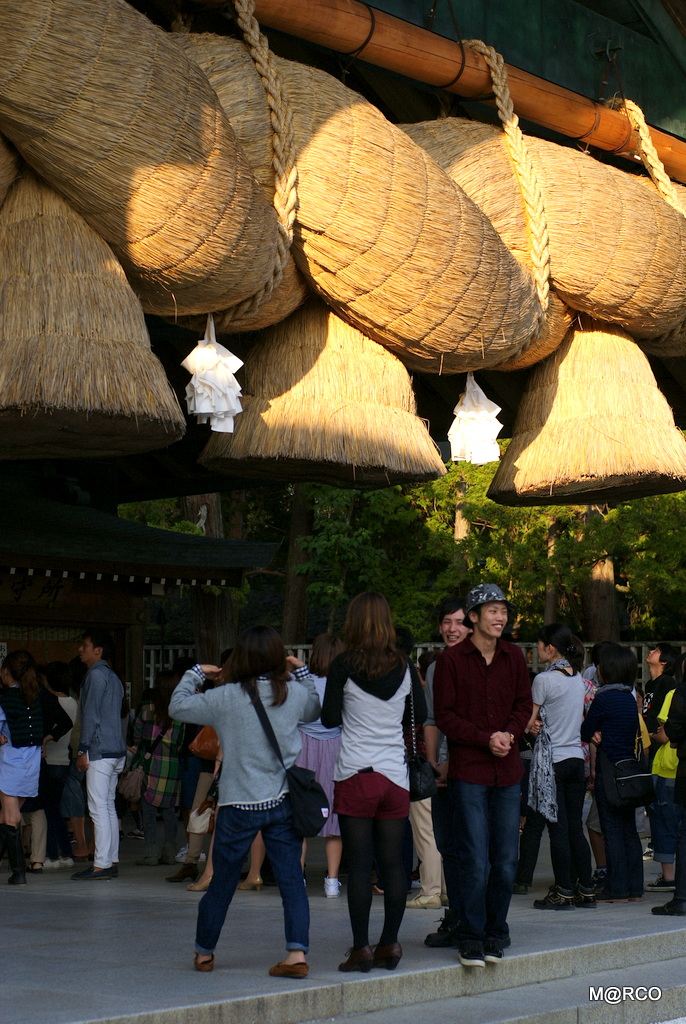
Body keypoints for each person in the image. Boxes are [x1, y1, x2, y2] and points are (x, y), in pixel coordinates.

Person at [169, 625, 320, 977]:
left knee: (221, 881)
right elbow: (315, 710)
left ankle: (204, 953)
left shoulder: (225, 698)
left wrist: (195, 673)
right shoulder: (293, 693)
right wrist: (301, 671)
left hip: (237, 805)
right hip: (282, 801)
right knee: (291, 881)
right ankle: (297, 954)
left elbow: (178, 707)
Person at [321, 592, 427, 974]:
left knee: (361, 867)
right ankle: (391, 944)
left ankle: (361, 948)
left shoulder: (343, 665)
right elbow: (420, 716)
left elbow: (330, 718)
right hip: (395, 778)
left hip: (355, 774)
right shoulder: (404, 665)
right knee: (394, 866)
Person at [434, 583, 532, 968]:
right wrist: (484, 738)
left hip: (508, 770)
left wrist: (509, 733)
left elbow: (524, 703)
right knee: (474, 857)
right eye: (491, 610)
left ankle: (496, 930)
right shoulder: (451, 661)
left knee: (506, 858)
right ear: (473, 617)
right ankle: (471, 935)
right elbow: (445, 716)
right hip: (470, 771)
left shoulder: (514, 656)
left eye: (503, 611)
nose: (500, 617)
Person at [526, 624, 595, 910]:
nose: (536, 649)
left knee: (556, 828)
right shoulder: (578, 679)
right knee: (574, 828)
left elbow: (530, 723)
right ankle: (586, 888)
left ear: (550, 648)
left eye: (539, 644)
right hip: (575, 759)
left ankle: (564, 889)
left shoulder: (544, 680)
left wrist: (532, 725)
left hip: (551, 761)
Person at [423, 596, 470, 946]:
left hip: (475, 770)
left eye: (459, 622)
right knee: (447, 845)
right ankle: (455, 917)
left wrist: (454, 762)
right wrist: (432, 763)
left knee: (476, 849)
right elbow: (431, 719)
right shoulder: (436, 666)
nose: (452, 629)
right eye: (446, 622)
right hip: (440, 770)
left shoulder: (485, 663)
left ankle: (478, 921)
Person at [580, 643, 644, 903]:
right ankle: (635, 889)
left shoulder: (604, 697)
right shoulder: (630, 698)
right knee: (628, 829)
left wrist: (595, 734)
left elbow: (586, 731)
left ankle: (616, 888)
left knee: (611, 829)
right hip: (628, 769)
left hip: (608, 768)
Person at [72, 630, 126, 880]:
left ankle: (102, 863)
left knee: (97, 807)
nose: (80, 649)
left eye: (85, 645)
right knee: (108, 806)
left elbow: (91, 716)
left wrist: (83, 749)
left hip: (99, 750)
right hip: (116, 749)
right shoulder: (113, 677)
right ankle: (110, 860)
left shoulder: (94, 676)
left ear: (98, 650)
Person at [295, 632, 345, 898]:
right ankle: (332, 881)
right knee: (334, 815)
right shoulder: (345, 684)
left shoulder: (300, 682)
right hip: (336, 746)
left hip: (302, 746)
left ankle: (298, 877)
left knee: (301, 814)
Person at [132, 669, 184, 866]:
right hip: (171, 766)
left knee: (149, 809)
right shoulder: (180, 712)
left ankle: (151, 852)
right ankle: (170, 852)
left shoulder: (146, 708)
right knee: (169, 811)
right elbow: (180, 743)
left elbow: (137, 737)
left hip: (150, 763)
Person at [0, 651, 44, 884]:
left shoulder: (5, 698)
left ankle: (19, 872)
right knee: (7, 816)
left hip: (10, 763)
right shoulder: (36, 697)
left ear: (5, 671)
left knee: (10, 817)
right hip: (31, 765)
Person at [654, 652, 686, 915]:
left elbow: (670, 733)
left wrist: (674, 738)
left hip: (676, 768)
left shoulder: (679, 693)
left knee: (676, 829)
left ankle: (678, 890)